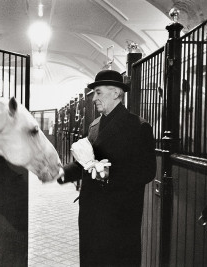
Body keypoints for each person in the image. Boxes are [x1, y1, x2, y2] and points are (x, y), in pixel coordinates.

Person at [58, 69, 156, 266]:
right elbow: (84, 164)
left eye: (99, 92)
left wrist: (109, 175)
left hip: (119, 216)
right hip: (91, 213)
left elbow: (146, 171)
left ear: (116, 93)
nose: (94, 98)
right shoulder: (94, 125)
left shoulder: (138, 127)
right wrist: (61, 172)